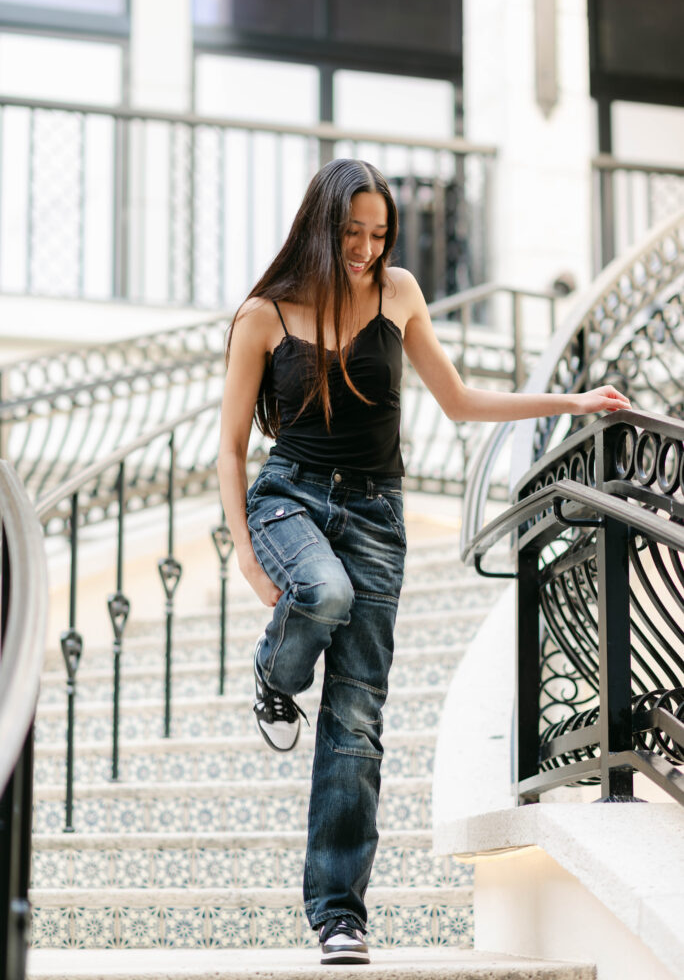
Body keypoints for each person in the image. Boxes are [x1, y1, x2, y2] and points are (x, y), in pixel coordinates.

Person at [216, 158, 631, 965]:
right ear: (320, 226)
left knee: (357, 719)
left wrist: (572, 402)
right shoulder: (264, 315)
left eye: (379, 235)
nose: (367, 249)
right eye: (352, 233)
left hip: (376, 514)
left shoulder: (398, 294)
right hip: (291, 499)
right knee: (322, 592)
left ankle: (340, 914)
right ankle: (275, 669)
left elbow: (461, 400)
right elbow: (231, 448)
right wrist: (244, 553)